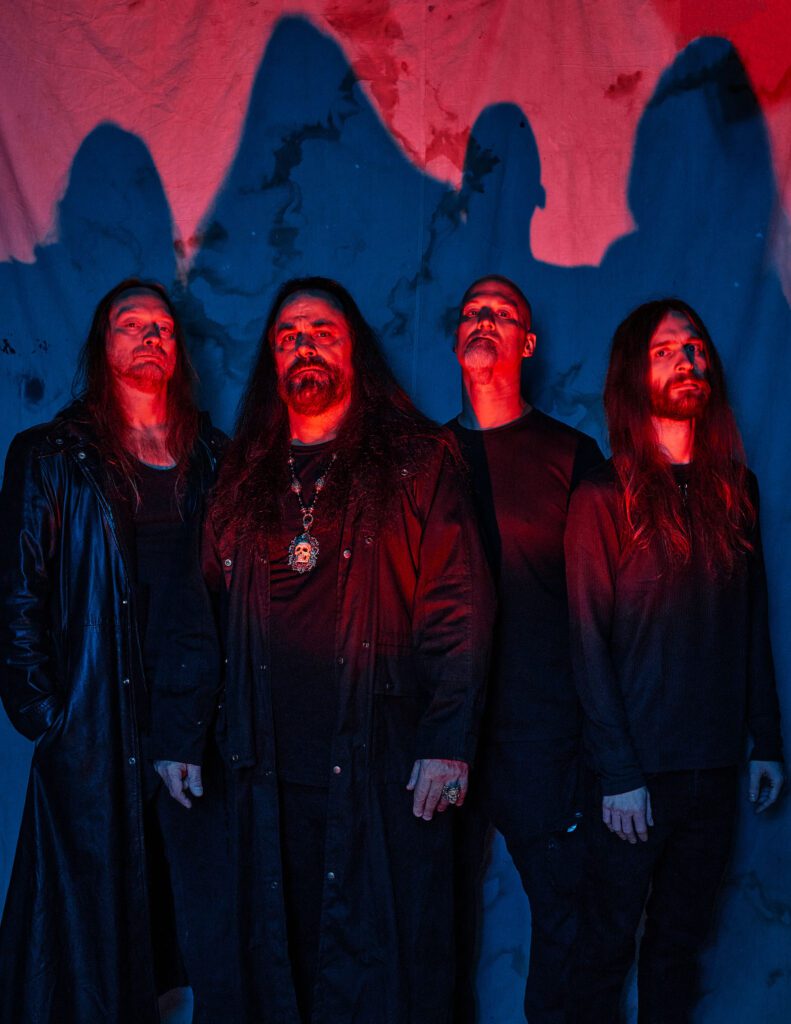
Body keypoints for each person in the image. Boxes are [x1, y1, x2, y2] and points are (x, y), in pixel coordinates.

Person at [194, 276, 493, 1024]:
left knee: (378, 969)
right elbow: (196, 614)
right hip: (262, 765)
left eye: (322, 332)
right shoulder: (243, 474)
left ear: (354, 350)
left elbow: (457, 608)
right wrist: (178, 734)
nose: (305, 346)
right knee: (275, 960)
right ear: (273, 358)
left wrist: (447, 742)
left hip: (379, 761)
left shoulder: (415, 461)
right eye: (289, 336)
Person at [0, 279, 235, 1023]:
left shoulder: (215, 458)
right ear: (102, 346)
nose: (150, 336)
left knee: (196, 922)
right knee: (96, 937)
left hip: (198, 725)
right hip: (97, 725)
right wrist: (52, 719)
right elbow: (17, 595)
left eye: (162, 326)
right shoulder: (52, 455)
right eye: (131, 324)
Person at [565, 298, 784, 1023]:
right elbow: (586, 642)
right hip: (634, 777)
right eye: (664, 351)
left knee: (678, 949)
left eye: (693, 348)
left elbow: (750, 622)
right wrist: (619, 775)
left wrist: (765, 741)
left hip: (713, 770)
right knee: (603, 949)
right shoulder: (603, 494)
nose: (687, 360)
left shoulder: (735, 489)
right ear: (635, 374)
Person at [449, 275, 603, 1023]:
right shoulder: (424, 458)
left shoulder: (571, 455)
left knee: (568, 921)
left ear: (527, 343)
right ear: (456, 338)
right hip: (440, 734)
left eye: (501, 313)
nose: (484, 321)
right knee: (426, 922)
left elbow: (604, 604)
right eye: (472, 312)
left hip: (541, 733)